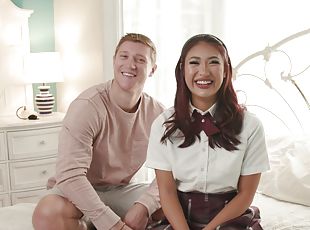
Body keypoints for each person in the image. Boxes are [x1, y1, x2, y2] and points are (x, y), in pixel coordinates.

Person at [32, 33, 165, 230]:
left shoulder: (158, 113)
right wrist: (112, 225)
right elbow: (70, 175)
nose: (130, 65)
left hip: (120, 190)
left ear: (152, 70)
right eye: (124, 56)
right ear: (114, 61)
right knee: (47, 214)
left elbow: (169, 172)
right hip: (76, 189)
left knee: (177, 201)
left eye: (140, 59)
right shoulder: (87, 106)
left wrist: (144, 206)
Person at [145, 34, 270, 230]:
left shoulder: (251, 126)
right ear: (182, 70)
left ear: (226, 70)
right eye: (194, 63)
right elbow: (167, 192)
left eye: (213, 62)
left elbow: (246, 194)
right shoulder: (163, 125)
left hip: (230, 218)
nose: (203, 72)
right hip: (180, 220)